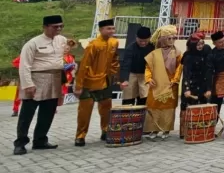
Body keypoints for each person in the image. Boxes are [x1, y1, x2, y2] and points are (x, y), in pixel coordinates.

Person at [13, 15, 67, 156]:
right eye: (55, 26)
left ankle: (40, 140)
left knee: (48, 112)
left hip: (54, 78)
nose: (59, 29)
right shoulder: (33, 43)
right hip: (36, 79)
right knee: (27, 113)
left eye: (61, 26)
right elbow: (24, 66)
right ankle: (20, 143)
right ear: (45, 27)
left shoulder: (62, 40)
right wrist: (28, 84)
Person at [74, 19, 119, 147]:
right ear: (100, 30)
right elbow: (84, 66)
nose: (111, 31)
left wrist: (115, 75)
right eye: (108, 29)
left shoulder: (114, 42)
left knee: (106, 108)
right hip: (89, 82)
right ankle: (80, 135)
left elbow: (115, 60)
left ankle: (105, 130)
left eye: (112, 28)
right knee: (84, 111)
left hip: (106, 81)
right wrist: (79, 85)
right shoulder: (93, 45)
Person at [143, 26, 183, 139]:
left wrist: (175, 80)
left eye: (173, 38)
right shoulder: (154, 53)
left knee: (169, 108)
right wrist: (148, 79)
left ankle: (166, 130)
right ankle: (154, 129)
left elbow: (180, 67)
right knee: (153, 106)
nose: (171, 41)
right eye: (169, 38)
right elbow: (148, 68)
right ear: (162, 39)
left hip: (170, 84)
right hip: (156, 84)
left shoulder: (177, 53)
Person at [179, 33, 213, 139]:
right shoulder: (188, 56)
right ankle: (185, 131)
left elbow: (209, 72)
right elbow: (186, 74)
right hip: (191, 84)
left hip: (202, 84)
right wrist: (187, 89)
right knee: (187, 106)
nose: (201, 46)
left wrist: (209, 89)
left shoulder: (207, 51)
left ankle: (201, 130)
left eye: (202, 44)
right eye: (198, 45)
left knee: (202, 104)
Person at [119, 27, 154, 106]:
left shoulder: (152, 48)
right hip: (132, 74)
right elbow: (126, 65)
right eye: (140, 41)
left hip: (146, 75)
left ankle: (141, 117)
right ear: (136, 37)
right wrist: (125, 79)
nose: (143, 43)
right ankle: (127, 117)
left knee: (144, 98)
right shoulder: (130, 48)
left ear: (150, 38)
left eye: (145, 41)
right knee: (128, 98)